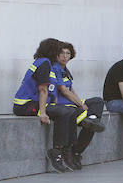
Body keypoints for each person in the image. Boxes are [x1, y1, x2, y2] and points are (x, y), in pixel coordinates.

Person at [12, 38, 77, 173]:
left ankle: (67, 149)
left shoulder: (43, 62)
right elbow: (43, 90)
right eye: (59, 51)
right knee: (63, 112)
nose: (61, 55)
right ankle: (56, 151)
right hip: (25, 105)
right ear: (53, 51)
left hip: (32, 103)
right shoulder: (44, 64)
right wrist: (42, 113)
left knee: (70, 112)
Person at [52, 41, 107, 171]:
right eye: (62, 53)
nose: (65, 56)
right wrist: (81, 104)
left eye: (68, 53)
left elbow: (71, 89)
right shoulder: (55, 68)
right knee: (91, 122)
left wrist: (81, 103)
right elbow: (64, 91)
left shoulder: (66, 70)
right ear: (57, 55)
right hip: (63, 106)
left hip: (72, 103)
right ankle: (75, 151)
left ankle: (91, 121)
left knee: (98, 102)